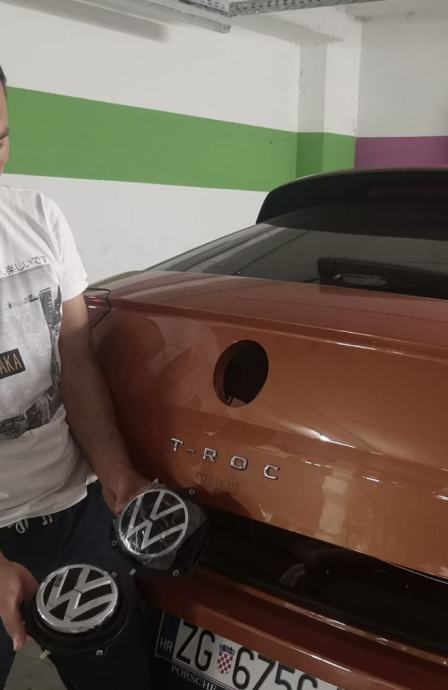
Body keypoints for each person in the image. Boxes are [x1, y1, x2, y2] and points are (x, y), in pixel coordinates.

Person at [0, 65, 152, 689]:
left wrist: (116, 475)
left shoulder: (39, 217)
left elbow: (77, 363)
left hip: (72, 512)